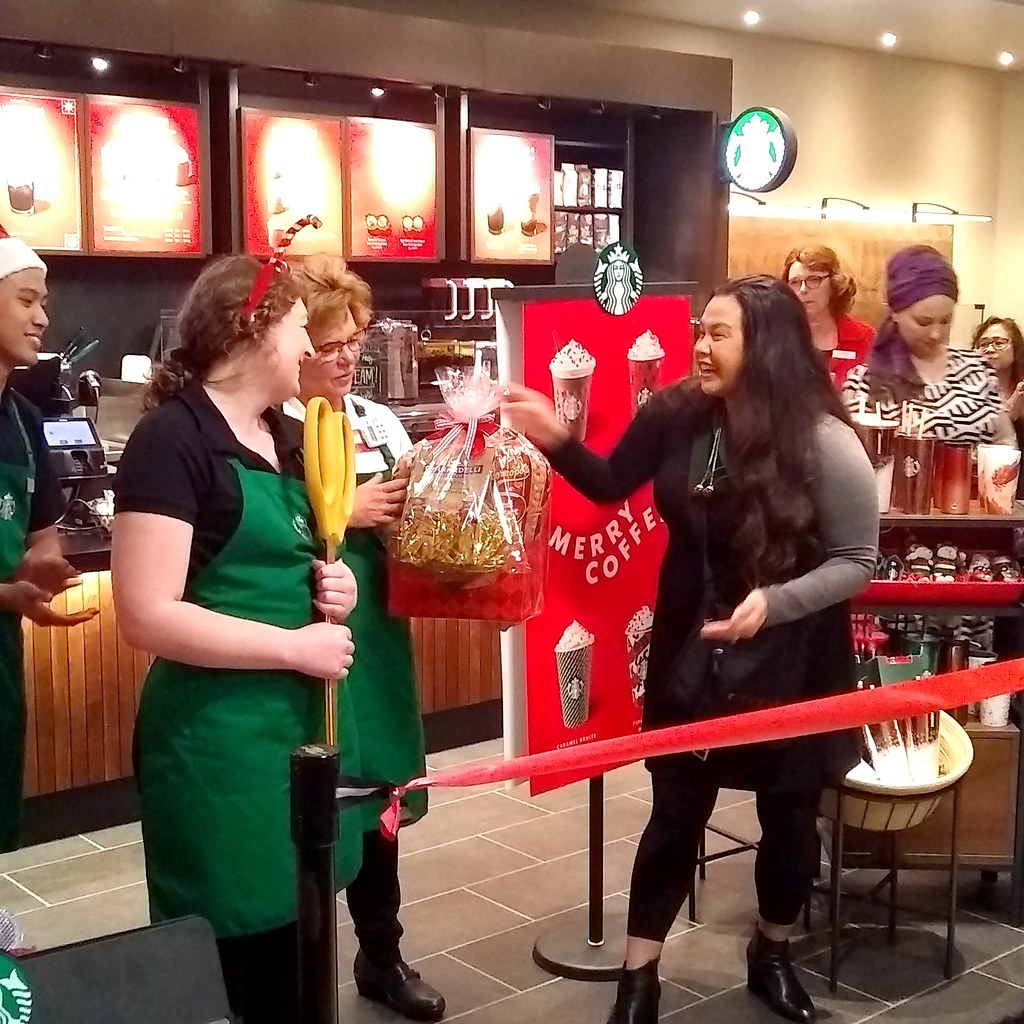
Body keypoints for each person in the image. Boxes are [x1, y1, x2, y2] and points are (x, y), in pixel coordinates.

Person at [503, 275, 879, 1024]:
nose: (700, 348)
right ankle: (639, 979)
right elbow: (611, 483)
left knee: (790, 819)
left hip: (792, 662)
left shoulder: (825, 440)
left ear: (765, 346)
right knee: (675, 811)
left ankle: (771, 954)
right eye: (698, 333)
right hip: (690, 653)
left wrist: (774, 604)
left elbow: (855, 561)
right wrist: (555, 436)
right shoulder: (676, 415)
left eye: (719, 335)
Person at [112, 254, 363, 1024]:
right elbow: (146, 614)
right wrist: (292, 647)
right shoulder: (170, 441)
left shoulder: (292, 436)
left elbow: (312, 551)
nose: (307, 350)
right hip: (217, 747)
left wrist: (335, 586)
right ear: (254, 330)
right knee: (235, 963)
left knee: (300, 941)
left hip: (298, 732)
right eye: (296, 330)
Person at [286, 254, 444, 1022]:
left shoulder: (375, 423)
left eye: (355, 337)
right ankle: (295, 967)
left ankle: (381, 954)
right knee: (311, 805)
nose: (347, 354)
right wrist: (342, 514)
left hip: (378, 642)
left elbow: (418, 526)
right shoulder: (267, 430)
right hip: (300, 642)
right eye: (327, 341)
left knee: (379, 796)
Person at [0, 230, 95, 854]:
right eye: (26, 300)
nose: (43, 317)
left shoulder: (22, 421)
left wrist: (42, 570)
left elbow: (40, 540)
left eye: (44, 302)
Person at [842, 246, 1015, 446]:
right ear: (895, 314)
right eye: (923, 322)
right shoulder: (865, 383)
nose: (936, 334)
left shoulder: (977, 370)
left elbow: (1005, 439)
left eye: (946, 321)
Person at [783, 244, 874, 382]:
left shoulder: (865, 338)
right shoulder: (778, 338)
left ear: (833, 283)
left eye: (813, 280)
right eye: (795, 282)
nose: (803, 289)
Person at [973, 316, 1024, 451]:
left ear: (1016, 347)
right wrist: (1004, 420)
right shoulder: (967, 392)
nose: (989, 349)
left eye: (999, 343)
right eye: (983, 344)